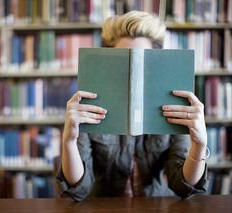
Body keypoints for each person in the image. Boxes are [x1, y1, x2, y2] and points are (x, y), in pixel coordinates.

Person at [56, 11, 209, 201]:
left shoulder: (173, 104)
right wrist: (68, 142)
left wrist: (200, 144)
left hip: (157, 205)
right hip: (104, 206)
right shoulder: (90, 106)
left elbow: (183, 186)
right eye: (124, 62)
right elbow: (79, 188)